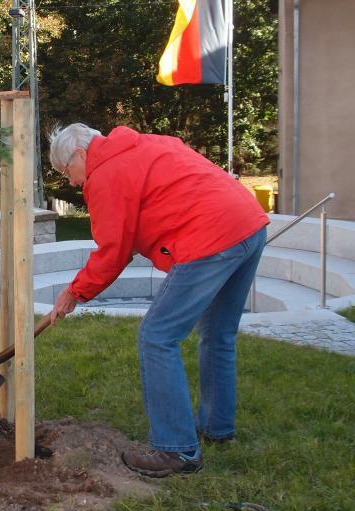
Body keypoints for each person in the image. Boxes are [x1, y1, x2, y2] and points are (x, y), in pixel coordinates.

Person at [48, 123, 268, 478]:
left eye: (66, 171)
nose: (71, 182)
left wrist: (74, 292)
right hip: (248, 224)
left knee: (157, 337)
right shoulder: (146, 144)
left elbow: (112, 252)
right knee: (218, 334)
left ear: (80, 155)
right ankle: (216, 427)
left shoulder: (105, 174)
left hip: (210, 237)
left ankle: (177, 450)